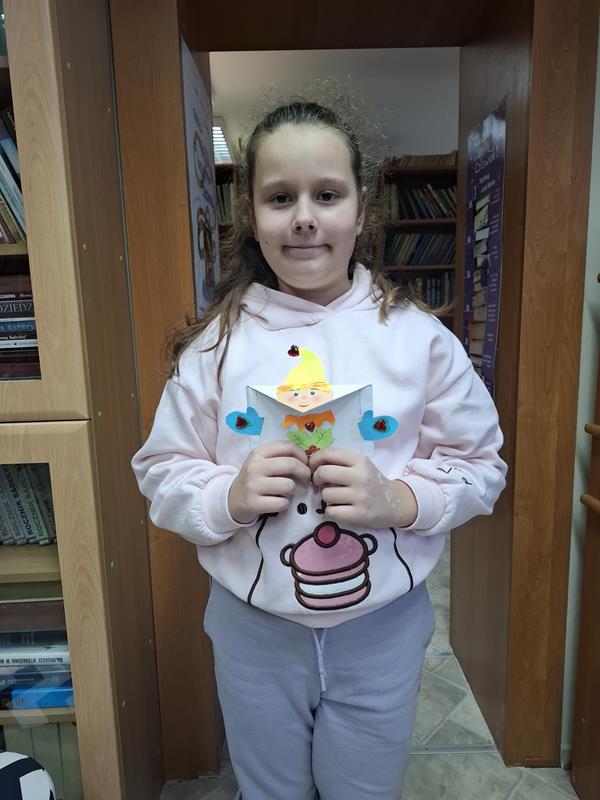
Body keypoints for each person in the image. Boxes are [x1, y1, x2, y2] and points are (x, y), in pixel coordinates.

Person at [131, 97, 507, 800]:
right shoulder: (216, 347)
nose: (304, 216)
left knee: (363, 790)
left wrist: (399, 499)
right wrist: (227, 496)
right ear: (252, 216)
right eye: (280, 198)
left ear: (362, 211)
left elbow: (481, 464)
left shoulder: (419, 338)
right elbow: (162, 468)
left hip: (383, 628)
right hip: (253, 629)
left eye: (327, 195)